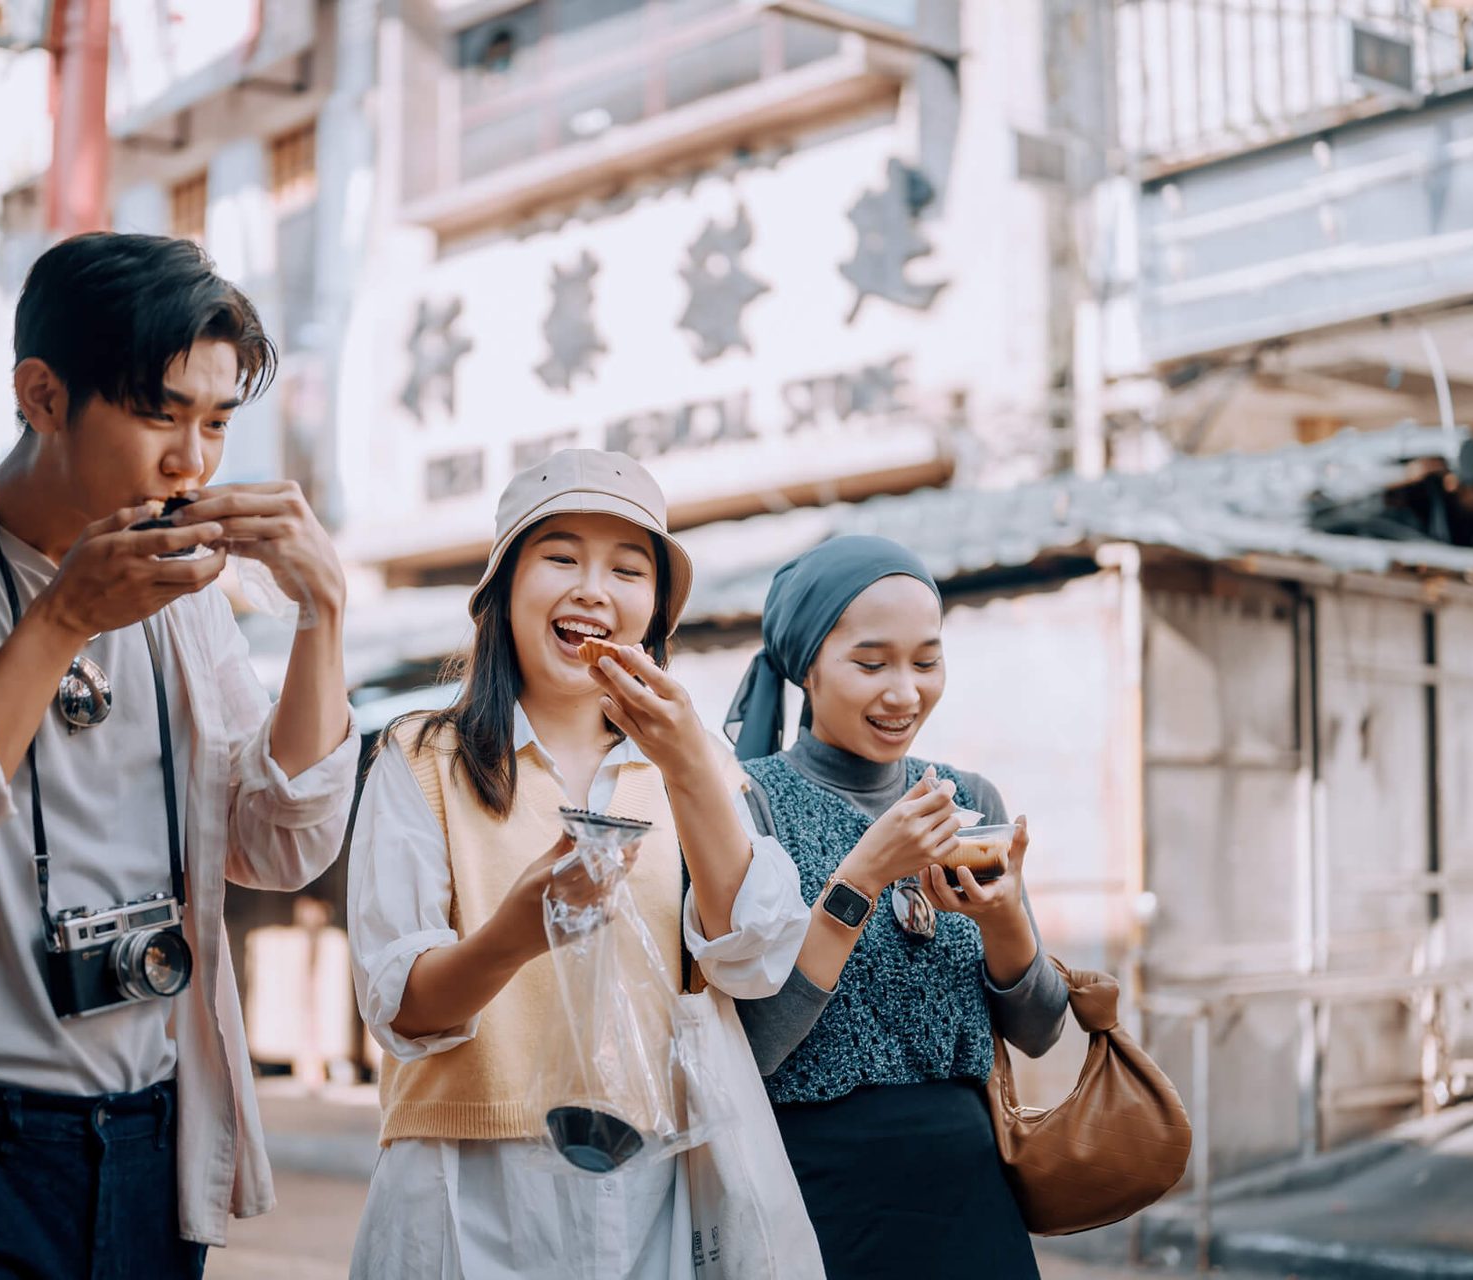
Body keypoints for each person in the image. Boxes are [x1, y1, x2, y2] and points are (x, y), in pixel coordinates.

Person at [0, 232, 358, 1279]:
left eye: (217, 421)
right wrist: (61, 619)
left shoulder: (188, 603)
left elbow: (276, 844)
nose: (194, 460)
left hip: (146, 1141)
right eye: (158, 413)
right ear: (43, 395)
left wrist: (322, 617)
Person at [345, 449, 809, 1279]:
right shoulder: (420, 758)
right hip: (467, 1187)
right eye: (560, 556)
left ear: (656, 609)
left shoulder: (698, 762)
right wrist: (516, 936)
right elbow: (399, 1009)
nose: (593, 588)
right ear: (502, 590)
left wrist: (692, 768)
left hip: (660, 1183)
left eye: (629, 570)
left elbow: (757, 958)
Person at [725, 536, 1069, 1278]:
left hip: (971, 1194)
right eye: (872, 663)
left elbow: (1041, 1032)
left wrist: (1002, 918)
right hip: (812, 1196)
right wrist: (864, 875)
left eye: (926, 660)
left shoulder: (969, 799)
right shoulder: (747, 806)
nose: (905, 692)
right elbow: (747, 1049)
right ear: (807, 666)